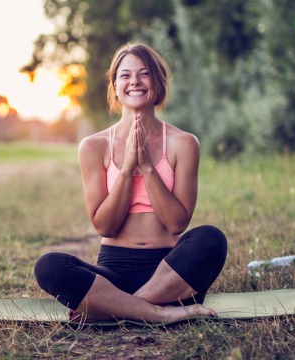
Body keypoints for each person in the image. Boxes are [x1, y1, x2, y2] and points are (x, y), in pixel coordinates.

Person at [34, 42, 227, 323]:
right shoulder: (94, 146)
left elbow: (176, 224)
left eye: (144, 73)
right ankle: (158, 313)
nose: (134, 81)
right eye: (125, 75)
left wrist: (147, 166)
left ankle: (113, 309)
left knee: (211, 239)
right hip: (113, 272)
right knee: (48, 266)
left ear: (158, 82)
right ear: (115, 85)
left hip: (170, 272)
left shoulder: (183, 143)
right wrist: (126, 169)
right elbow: (105, 226)